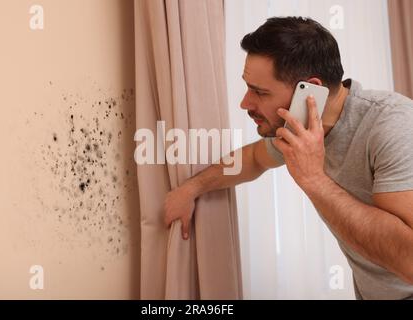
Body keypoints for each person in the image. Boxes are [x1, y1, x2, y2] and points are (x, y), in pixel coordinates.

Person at [163, 17, 413, 300]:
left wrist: (314, 180)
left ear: (311, 90)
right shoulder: (304, 127)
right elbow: (254, 159)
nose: (245, 103)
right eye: (248, 87)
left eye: (259, 92)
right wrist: (191, 188)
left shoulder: (394, 125)